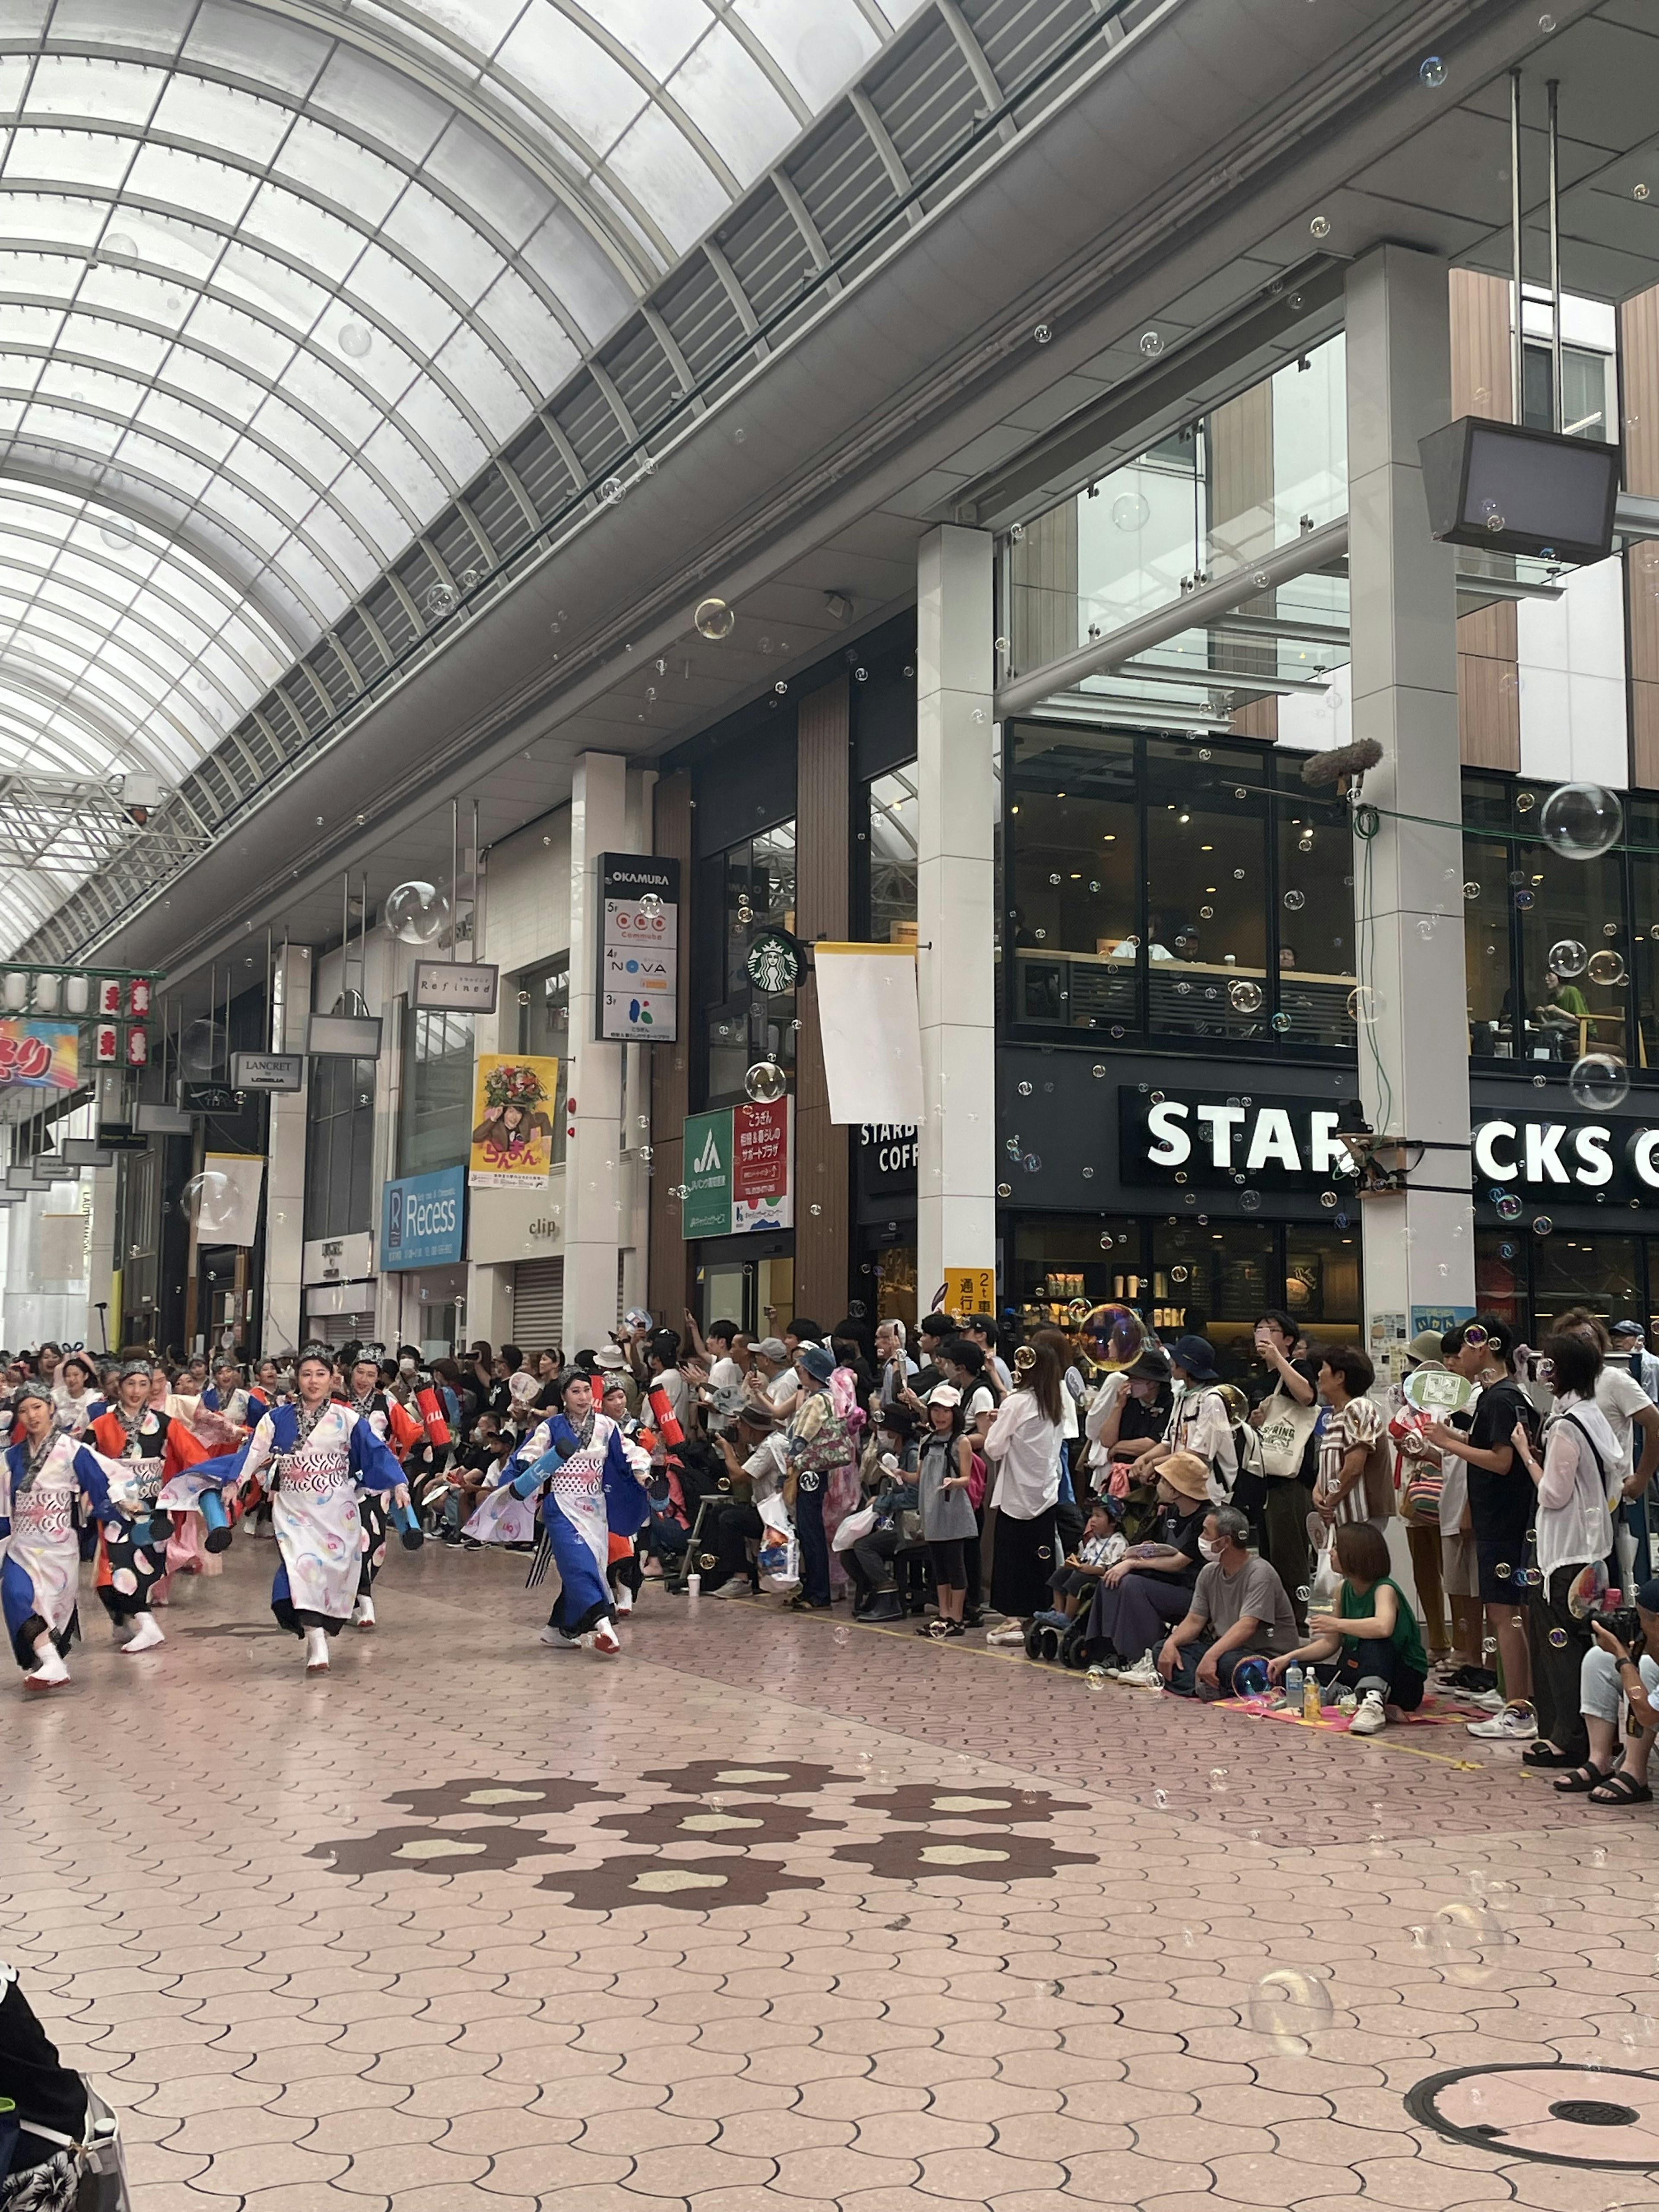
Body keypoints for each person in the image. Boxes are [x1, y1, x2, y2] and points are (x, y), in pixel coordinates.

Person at [189, 1343, 411, 1673]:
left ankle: (334, 1620)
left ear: (333, 1378)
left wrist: (399, 1482)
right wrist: (237, 1481)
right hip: (295, 1509)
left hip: (338, 1508)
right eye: (307, 1374)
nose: (313, 1381)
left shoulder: (346, 1417)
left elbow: (376, 1451)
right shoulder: (276, 1417)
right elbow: (253, 1451)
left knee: (334, 1571)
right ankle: (315, 1639)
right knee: (299, 1570)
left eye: (321, 1374)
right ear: (296, 1378)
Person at [1504, 1330, 1617, 1772]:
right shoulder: (1591, 1414)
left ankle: (1565, 1738)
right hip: (1591, 1550)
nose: (1543, 1371)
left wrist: (1525, 1454)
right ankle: (1583, 1737)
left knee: (1562, 1649)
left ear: (1563, 1370)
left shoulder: (1567, 1425)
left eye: (1549, 1364)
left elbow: (1553, 1494)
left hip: (1564, 1556)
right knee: (1582, 1646)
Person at [1423, 1314, 1540, 1740]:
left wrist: (1447, 1441)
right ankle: (1524, 1701)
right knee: (1508, 1614)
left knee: (1506, 1614)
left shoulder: (1499, 1398)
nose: (1461, 1355)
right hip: (1506, 1520)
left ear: (1485, 1347)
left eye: (1467, 1345)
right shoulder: (1502, 1395)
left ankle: (1520, 1709)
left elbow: (1502, 1460)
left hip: (1504, 1522)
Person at [504, 1370, 651, 1653]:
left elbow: (630, 1452)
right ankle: (603, 1625)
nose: (583, 1397)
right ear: (563, 1397)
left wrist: (643, 1473)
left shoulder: (607, 1427)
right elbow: (531, 1452)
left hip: (596, 1508)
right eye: (575, 1392)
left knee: (592, 1565)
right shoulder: (552, 1427)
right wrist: (526, 1465)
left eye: (586, 1390)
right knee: (578, 1564)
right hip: (560, 1504)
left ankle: (559, 1629)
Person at [0, 1380, 131, 1691]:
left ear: (51, 1408)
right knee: (16, 1594)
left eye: (37, 1407)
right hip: (23, 1547)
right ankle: (52, 1664)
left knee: (50, 1609)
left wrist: (122, 1506)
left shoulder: (73, 1451)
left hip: (59, 1549)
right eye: (23, 1410)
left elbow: (101, 1486)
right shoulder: (11, 1458)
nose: (32, 1415)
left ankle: (52, 1661)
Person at [86, 1359, 210, 1653]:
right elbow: (84, 1460)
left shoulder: (164, 1423)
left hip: (150, 1508)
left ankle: (145, 1626)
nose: (137, 1390)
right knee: (111, 1571)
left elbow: (193, 1453)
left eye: (144, 1384)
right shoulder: (101, 1424)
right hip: (115, 1507)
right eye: (131, 1383)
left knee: (136, 1567)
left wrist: (212, 1479)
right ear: (120, 1387)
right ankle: (125, 1623)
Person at [1267, 1519, 1429, 1733]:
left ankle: (1371, 1704)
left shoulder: (1385, 1589)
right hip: (1361, 1669)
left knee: (1373, 1644)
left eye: (1337, 1548)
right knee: (1295, 1673)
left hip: (1401, 1678)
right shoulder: (1342, 1590)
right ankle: (1352, 1698)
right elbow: (1330, 1644)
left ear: (1355, 1555)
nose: (1331, 1553)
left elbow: (1383, 1627)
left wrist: (1336, 1623)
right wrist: (1290, 1658)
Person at [1081, 1448, 1211, 1679]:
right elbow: (1156, 1547)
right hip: (1166, 1582)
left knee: (1132, 1584)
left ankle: (1142, 1656)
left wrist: (1134, 1564)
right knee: (1112, 1579)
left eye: (1163, 1480)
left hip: (1193, 1593)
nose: (1157, 1484)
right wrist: (1132, 1556)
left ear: (1176, 1489)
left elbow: (1179, 1562)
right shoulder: (1170, 1513)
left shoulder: (1206, 1518)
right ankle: (1107, 1649)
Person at [1157, 1503, 1300, 1697]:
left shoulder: (1260, 1573)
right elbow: (1194, 1620)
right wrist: (1171, 1643)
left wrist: (1211, 1656)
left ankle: (1208, 1686)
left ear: (1225, 1542)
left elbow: (1247, 1626)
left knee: (1228, 1663)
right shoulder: (1209, 1572)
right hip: (1225, 1648)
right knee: (1162, 1649)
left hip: (1265, 1657)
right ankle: (1205, 1689)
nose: (1201, 1538)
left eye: (1206, 1532)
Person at [983, 1342, 1065, 1645]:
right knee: (1040, 1558)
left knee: (1011, 1557)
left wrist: (1001, 1424)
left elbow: (993, 1447)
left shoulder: (1016, 1403)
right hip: (1046, 1492)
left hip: (1017, 1493)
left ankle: (1012, 1619)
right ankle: (1038, 1614)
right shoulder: (1056, 1403)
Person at [1557, 1588, 1659, 1806]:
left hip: (1649, 1711)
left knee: (1646, 1667)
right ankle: (1601, 1760)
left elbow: (1648, 1715)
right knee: (1599, 1657)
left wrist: (1623, 1659)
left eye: (1639, 1619)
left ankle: (1634, 1771)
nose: (1637, 1625)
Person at [782, 1344, 852, 1611]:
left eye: (803, 1368)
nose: (800, 1372)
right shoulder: (832, 1397)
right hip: (820, 1470)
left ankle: (818, 1593)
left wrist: (791, 1458)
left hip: (807, 1470)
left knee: (810, 1530)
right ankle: (813, 1589)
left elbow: (803, 1436)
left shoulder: (816, 1401)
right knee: (811, 1529)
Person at [916, 1383, 977, 1640]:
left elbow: (967, 1478)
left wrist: (954, 1482)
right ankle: (943, 1614)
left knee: (955, 1565)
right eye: (935, 1410)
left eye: (946, 1411)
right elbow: (919, 1477)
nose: (940, 1416)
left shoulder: (961, 1442)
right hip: (932, 1510)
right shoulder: (926, 1442)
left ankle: (956, 1617)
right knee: (938, 1566)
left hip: (952, 1510)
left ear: (956, 1414)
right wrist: (898, 1474)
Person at [341, 1351, 394, 1629]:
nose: (364, 1379)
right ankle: (359, 1599)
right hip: (341, 1480)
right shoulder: (337, 1400)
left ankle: (363, 1597)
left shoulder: (388, 1403)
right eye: (360, 1372)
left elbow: (407, 1432)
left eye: (371, 1374)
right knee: (349, 1539)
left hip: (376, 1481)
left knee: (373, 1541)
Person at [1312, 1345, 1390, 1530]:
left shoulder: (1359, 1409)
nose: (1319, 1374)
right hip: (1339, 1515)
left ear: (1340, 1377)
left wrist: (1330, 1500)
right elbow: (1331, 1466)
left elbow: (1354, 1468)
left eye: (1324, 1368)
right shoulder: (1334, 1415)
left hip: (1360, 1517)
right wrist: (1317, 1492)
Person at [1036, 1497, 1120, 1627]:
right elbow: (1084, 1558)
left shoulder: (1118, 1542)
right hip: (1085, 1570)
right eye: (1092, 1515)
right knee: (1061, 1574)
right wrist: (1074, 1562)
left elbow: (1114, 1567)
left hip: (1101, 1577)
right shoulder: (1093, 1541)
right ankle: (1059, 1614)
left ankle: (1068, 1617)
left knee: (1077, 1579)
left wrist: (1093, 1570)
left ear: (1113, 1521)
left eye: (1098, 1516)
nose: (1092, 1520)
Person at [49, 1351, 102, 1436]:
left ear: (86, 1376)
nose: (72, 1379)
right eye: (68, 1376)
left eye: (76, 1375)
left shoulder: (95, 1399)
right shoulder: (56, 1397)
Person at [875, 1319, 918, 1408]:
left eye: (878, 1338)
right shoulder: (890, 1366)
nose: (876, 1344)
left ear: (893, 1339)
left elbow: (895, 1403)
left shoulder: (899, 1366)